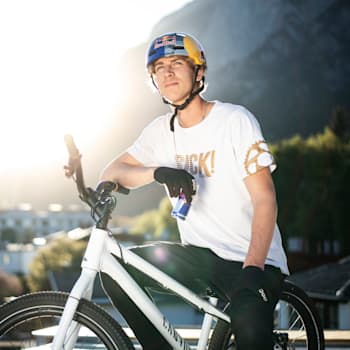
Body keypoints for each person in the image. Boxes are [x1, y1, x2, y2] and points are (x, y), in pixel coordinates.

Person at [98, 32, 289, 350]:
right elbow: (112, 173)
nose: (167, 72)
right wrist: (157, 172)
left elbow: (265, 199)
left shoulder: (234, 121)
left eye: (176, 63)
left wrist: (253, 269)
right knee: (118, 272)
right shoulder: (160, 131)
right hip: (202, 258)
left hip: (253, 260)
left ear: (198, 72)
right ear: (154, 80)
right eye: (159, 67)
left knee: (251, 331)